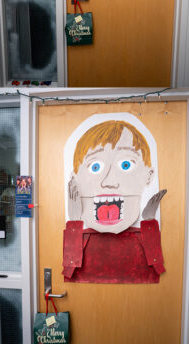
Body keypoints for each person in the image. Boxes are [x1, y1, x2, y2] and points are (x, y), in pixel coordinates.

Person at [63, 119, 166, 283]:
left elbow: (156, 267)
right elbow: (69, 270)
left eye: (126, 165)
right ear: (74, 179)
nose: (109, 181)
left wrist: (149, 222)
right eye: (94, 167)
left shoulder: (140, 237)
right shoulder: (82, 237)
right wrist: (75, 221)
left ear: (149, 176)